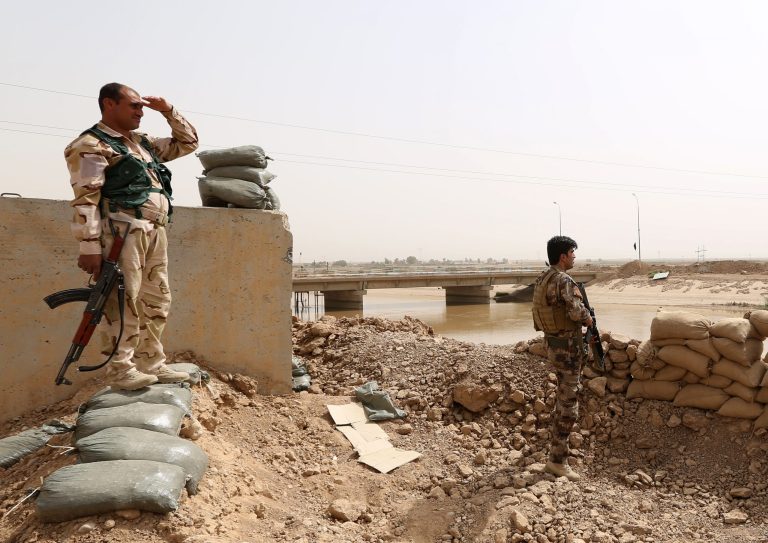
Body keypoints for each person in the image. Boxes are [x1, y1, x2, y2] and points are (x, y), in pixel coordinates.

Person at [64, 82, 199, 390]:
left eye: (141, 106)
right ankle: (120, 367)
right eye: (134, 105)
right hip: (121, 230)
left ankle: (152, 361)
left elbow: (188, 142)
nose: (141, 111)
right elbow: (86, 199)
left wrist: (167, 110)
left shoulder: (142, 143)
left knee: (157, 299)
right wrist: (89, 246)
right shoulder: (91, 144)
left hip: (154, 230)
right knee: (122, 300)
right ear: (109, 104)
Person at [531, 235, 593, 481]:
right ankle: (558, 461)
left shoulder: (542, 278)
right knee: (569, 406)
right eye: (572, 252)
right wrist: (588, 318)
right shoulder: (564, 280)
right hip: (568, 350)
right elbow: (576, 312)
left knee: (562, 399)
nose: (574, 257)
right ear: (563, 256)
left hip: (553, 346)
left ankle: (556, 454)